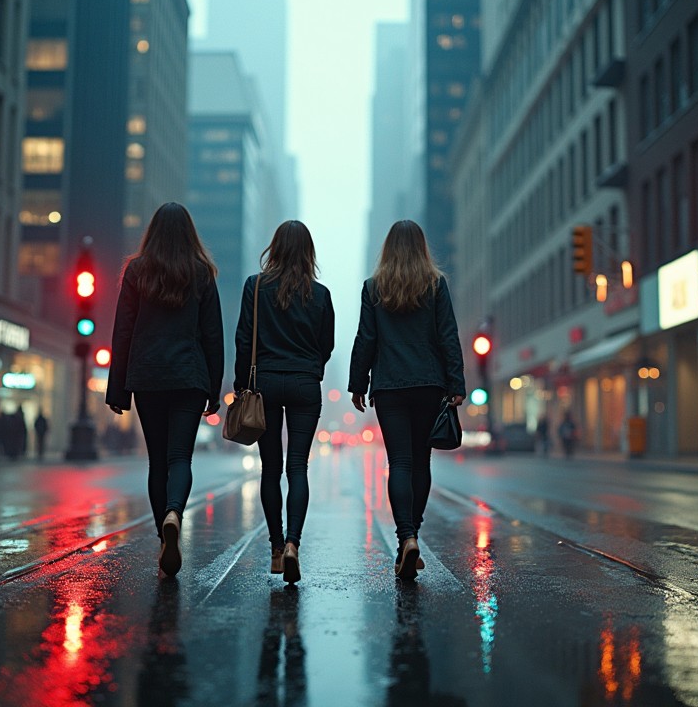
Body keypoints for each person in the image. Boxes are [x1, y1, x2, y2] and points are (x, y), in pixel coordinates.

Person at [106, 202, 224, 578]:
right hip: (189, 377)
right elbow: (213, 335)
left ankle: (163, 536)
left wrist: (118, 388)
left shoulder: (138, 271)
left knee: (157, 461)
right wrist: (214, 388)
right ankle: (176, 511)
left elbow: (122, 330)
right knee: (179, 460)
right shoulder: (202, 273)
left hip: (149, 377)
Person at [348, 220, 465, 579]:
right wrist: (456, 381)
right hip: (429, 384)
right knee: (420, 462)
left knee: (398, 462)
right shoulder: (435, 285)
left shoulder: (373, 288)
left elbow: (366, 338)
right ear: (421, 248)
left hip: (389, 387)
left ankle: (406, 537)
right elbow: (448, 335)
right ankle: (413, 532)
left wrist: (357, 383)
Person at [234, 221, 335, 584]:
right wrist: (311, 370)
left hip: (265, 384)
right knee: (298, 468)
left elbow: (244, 339)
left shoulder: (256, 286)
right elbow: (328, 345)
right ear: (308, 252)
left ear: (274, 248)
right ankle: (294, 543)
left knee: (270, 469)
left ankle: (277, 548)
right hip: (305, 384)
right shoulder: (320, 295)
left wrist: (240, 382)